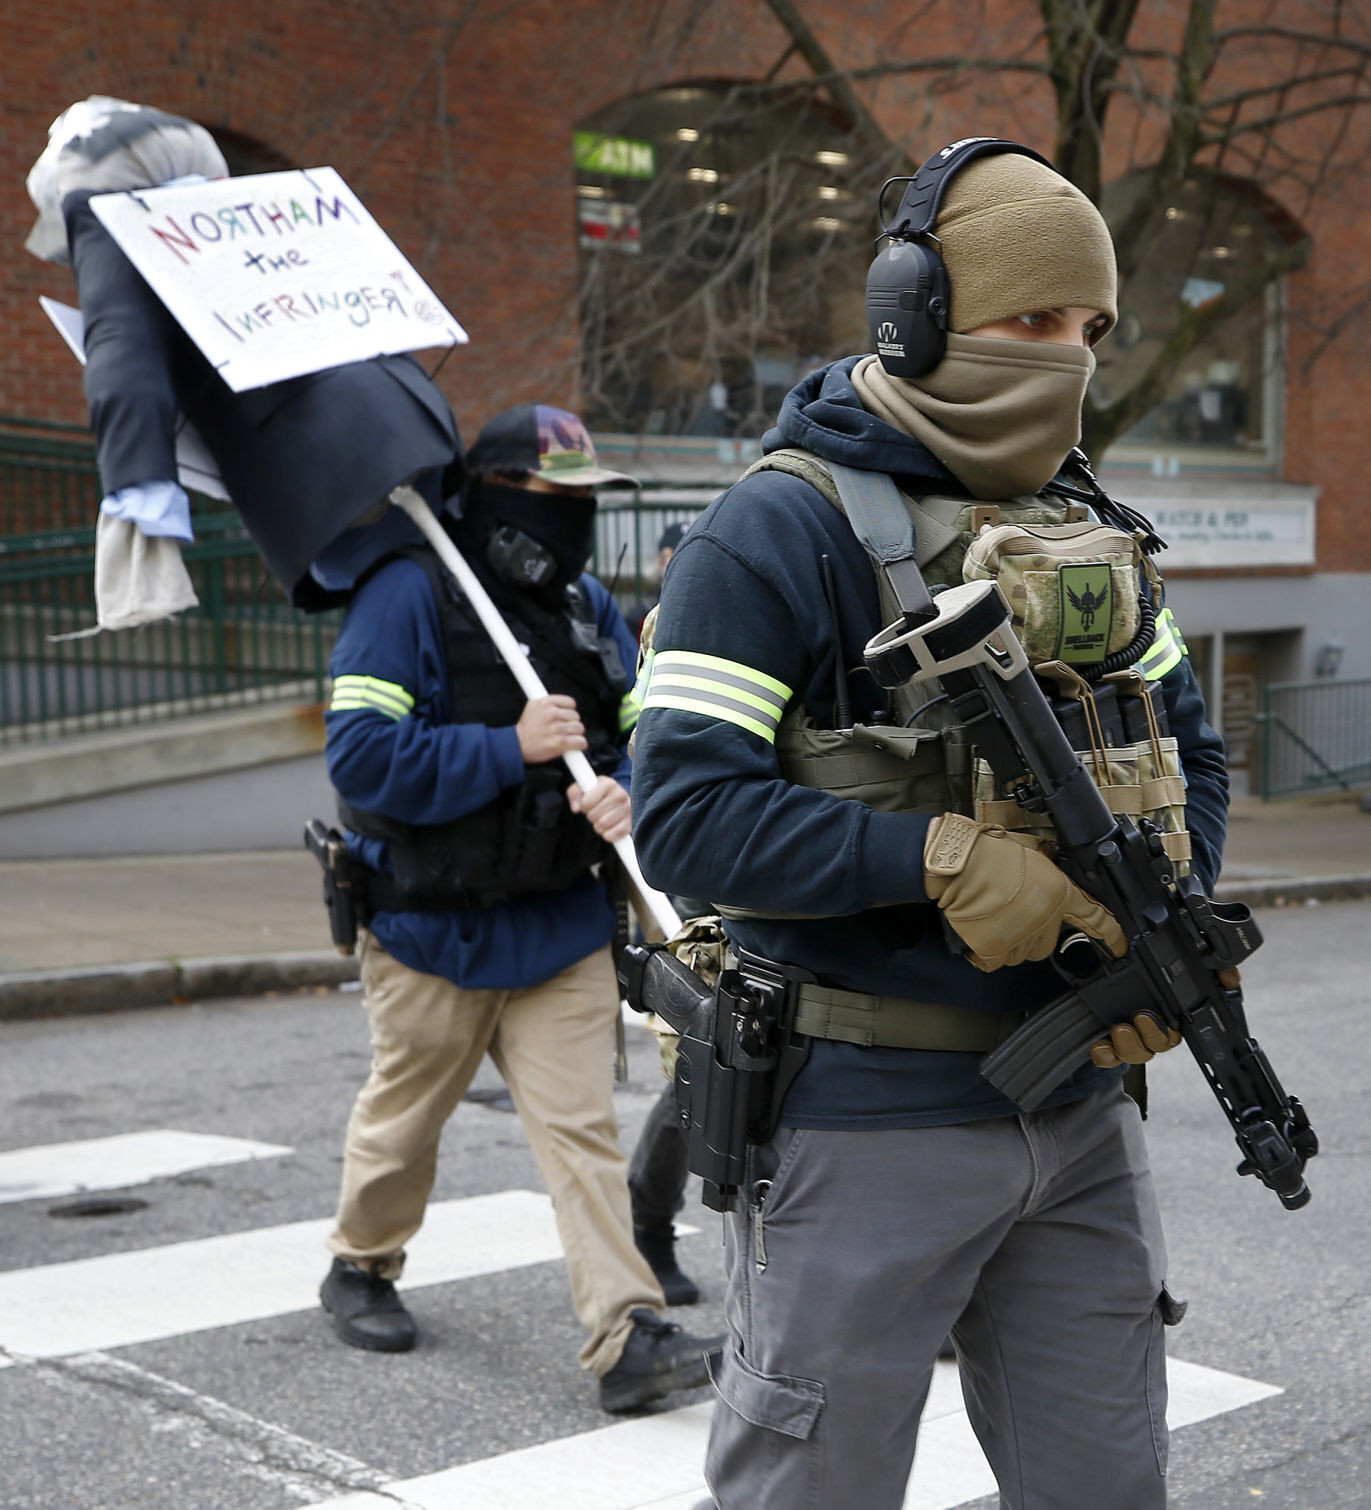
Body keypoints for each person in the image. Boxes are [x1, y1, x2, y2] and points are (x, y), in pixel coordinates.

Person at [630, 144, 1228, 1507]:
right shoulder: (769, 536)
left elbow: (1185, 750)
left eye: (1087, 331)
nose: (1064, 359)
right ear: (912, 312)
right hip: (860, 1121)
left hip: (1075, 1119)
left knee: (1106, 1481)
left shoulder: (1084, 533)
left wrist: (1160, 932)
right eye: (1030, 321)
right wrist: (932, 856)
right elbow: (682, 815)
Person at [319, 402, 719, 1413]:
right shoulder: (404, 595)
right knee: (403, 1125)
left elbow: (638, 738)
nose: (573, 519)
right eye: (554, 498)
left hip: (558, 927)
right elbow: (359, 759)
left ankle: (626, 1335)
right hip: (428, 930)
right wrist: (512, 746)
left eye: (585, 501)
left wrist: (627, 787)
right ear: (493, 494)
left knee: (582, 1133)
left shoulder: (586, 605)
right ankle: (361, 1263)